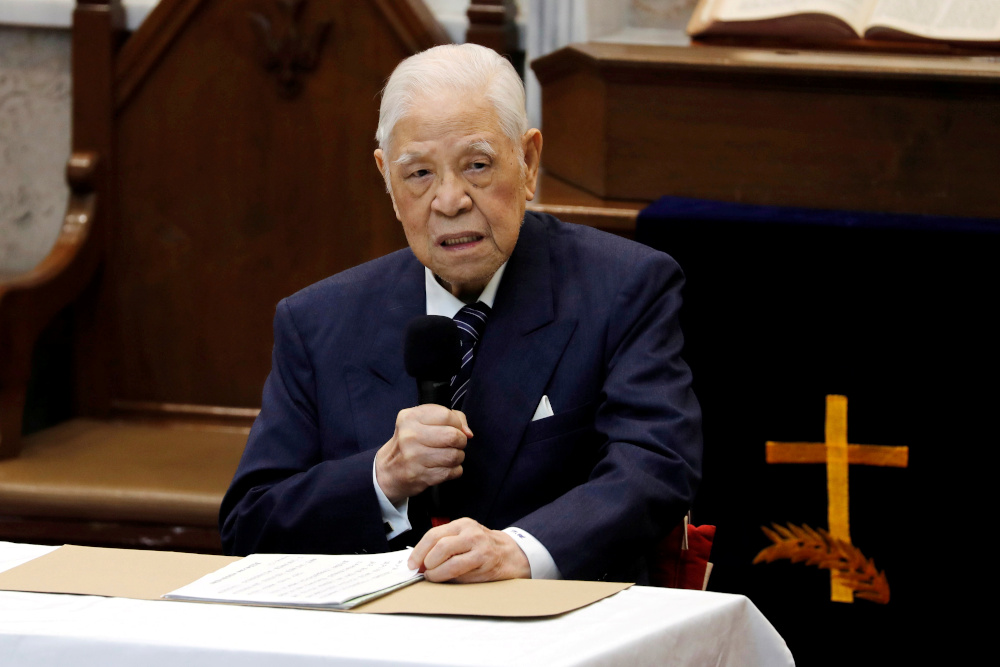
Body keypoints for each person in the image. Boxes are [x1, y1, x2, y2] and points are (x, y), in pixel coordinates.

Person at [219, 43, 702, 584]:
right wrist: (383, 477)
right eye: (419, 174)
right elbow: (250, 522)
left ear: (529, 163)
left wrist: (521, 552)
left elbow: (655, 466)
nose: (449, 200)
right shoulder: (317, 320)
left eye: (477, 165)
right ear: (386, 178)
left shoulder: (624, 286)